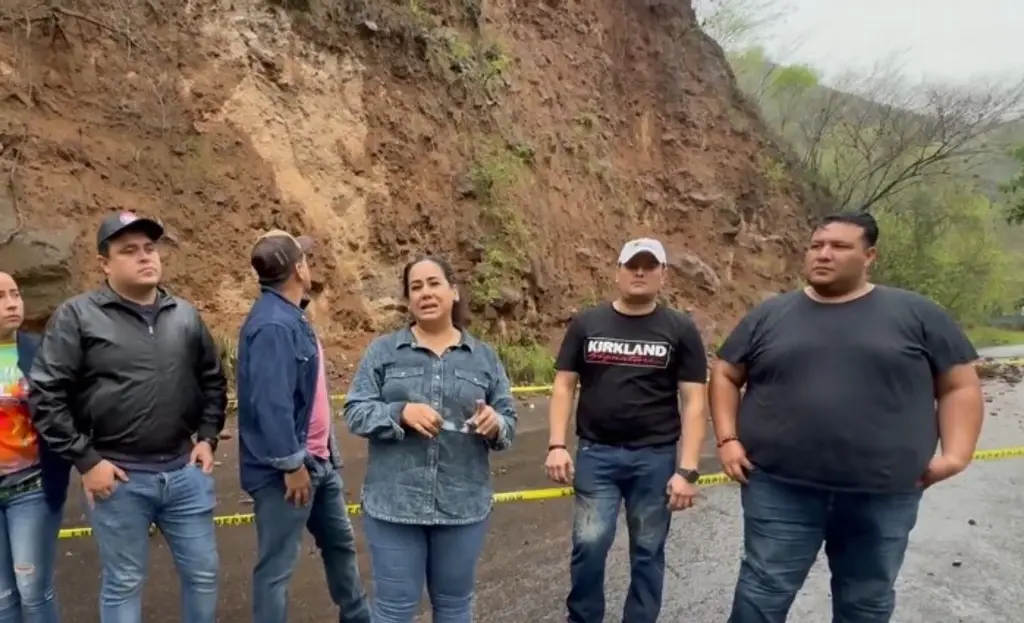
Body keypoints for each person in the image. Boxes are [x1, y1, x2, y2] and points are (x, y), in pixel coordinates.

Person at [710, 211, 984, 623]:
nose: (823, 255)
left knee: (866, 599)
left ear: (869, 255)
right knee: (761, 593)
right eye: (816, 246)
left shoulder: (916, 314)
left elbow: (959, 385)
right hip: (779, 487)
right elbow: (726, 373)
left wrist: (957, 454)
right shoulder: (772, 314)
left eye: (839, 247)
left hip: (883, 492)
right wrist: (727, 440)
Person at [28, 212, 227, 623]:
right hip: (117, 480)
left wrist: (207, 437)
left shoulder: (184, 315)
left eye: (150, 249)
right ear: (105, 263)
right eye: (129, 251)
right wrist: (87, 461)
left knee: (204, 576)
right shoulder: (78, 317)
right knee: (123, 583)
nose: (144, 258)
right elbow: (46, 395)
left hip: (183, 475)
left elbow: (213, 380)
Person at [344, 255, 518, 623]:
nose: (425, 292)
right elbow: (355, 411)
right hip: (394, 505)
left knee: (454, 607)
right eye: (416, 287)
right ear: (408, 300)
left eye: (434, 283)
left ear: (453, 292)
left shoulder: (483, 357)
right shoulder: (383, 352)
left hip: (462, 505)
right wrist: (399, 413)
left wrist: (495, 423)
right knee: (393, 610)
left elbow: (509, 421)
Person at [545, 238, 709, 623]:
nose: (640, 272)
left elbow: (695, 401)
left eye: (649, 266)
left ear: (663, 274)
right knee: (588, 545)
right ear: (617, 270)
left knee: (649, 549)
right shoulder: (587, 323)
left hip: (655, 458)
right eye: (632, 265)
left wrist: (687, 469)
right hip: (596, 454)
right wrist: (556, 444)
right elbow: (564, 385)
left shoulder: (681, 329)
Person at [236, 230, 370, 623]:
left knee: (340, 546)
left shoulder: (290, 316)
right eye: (305, 259)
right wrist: (292, 466)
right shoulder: (274, 326)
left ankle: (358, 617)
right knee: (277, 567)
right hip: (290, 472)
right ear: (298, 269)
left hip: (317, 462)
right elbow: (271, 403)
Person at [0, 271, 70, 623]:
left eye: (15, 294)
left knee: (32, 589)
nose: (12, 303)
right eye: (1, 297)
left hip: (31, 487)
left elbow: (65, 412)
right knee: (1, 597)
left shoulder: (39, 351)